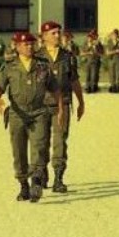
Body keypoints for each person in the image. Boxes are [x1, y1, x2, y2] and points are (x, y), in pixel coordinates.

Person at [0, 32, 64, 203]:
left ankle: (36, 181)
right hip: (18, 114)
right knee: (19, 150)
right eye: (25, 45)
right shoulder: (9, 67)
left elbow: (55, 89)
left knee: (39, 146)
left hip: (39, 113)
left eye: (32, 44)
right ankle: (23, 184)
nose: (29, 47)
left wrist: (60, 109)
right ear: (17, 47)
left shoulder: (43, 65)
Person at [37, 21, 85, 192]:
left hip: (62, 104)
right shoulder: (36, 57)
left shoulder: (67, 56)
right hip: (41, 106)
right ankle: (41, 172)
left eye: (59, 33)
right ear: (44, 36)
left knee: (60, 142)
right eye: (53, 33)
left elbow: (74, 80)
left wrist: (81, 102)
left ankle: (58, 177)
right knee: (40, 142)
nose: (58, 36)